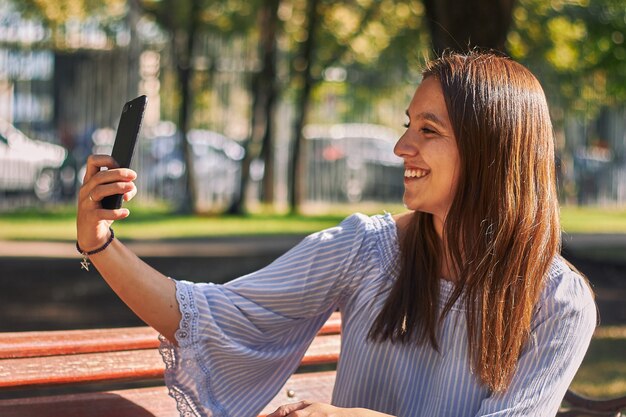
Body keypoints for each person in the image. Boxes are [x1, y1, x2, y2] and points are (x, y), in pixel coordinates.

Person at [76, 51, 597, 417]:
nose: (401, 147)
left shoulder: (558, 301)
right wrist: (99, 241)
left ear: (492, 151)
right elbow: (209, 317)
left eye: (428, 131)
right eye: (407, 124)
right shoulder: (366, 249)